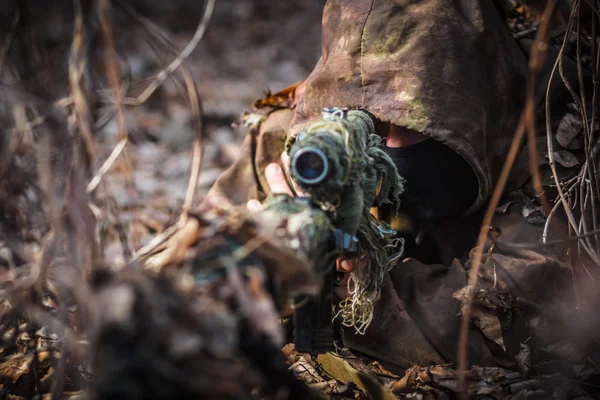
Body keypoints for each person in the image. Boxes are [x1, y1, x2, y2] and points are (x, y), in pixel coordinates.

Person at [207, 0, 596, 373]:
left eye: (410, 123)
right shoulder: (298, 147)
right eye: (368, 126)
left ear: (467, 104)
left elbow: (515, 320)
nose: (384, 150)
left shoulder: (556, 136)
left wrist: (355, 289)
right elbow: (189, 289)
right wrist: (261, 261)